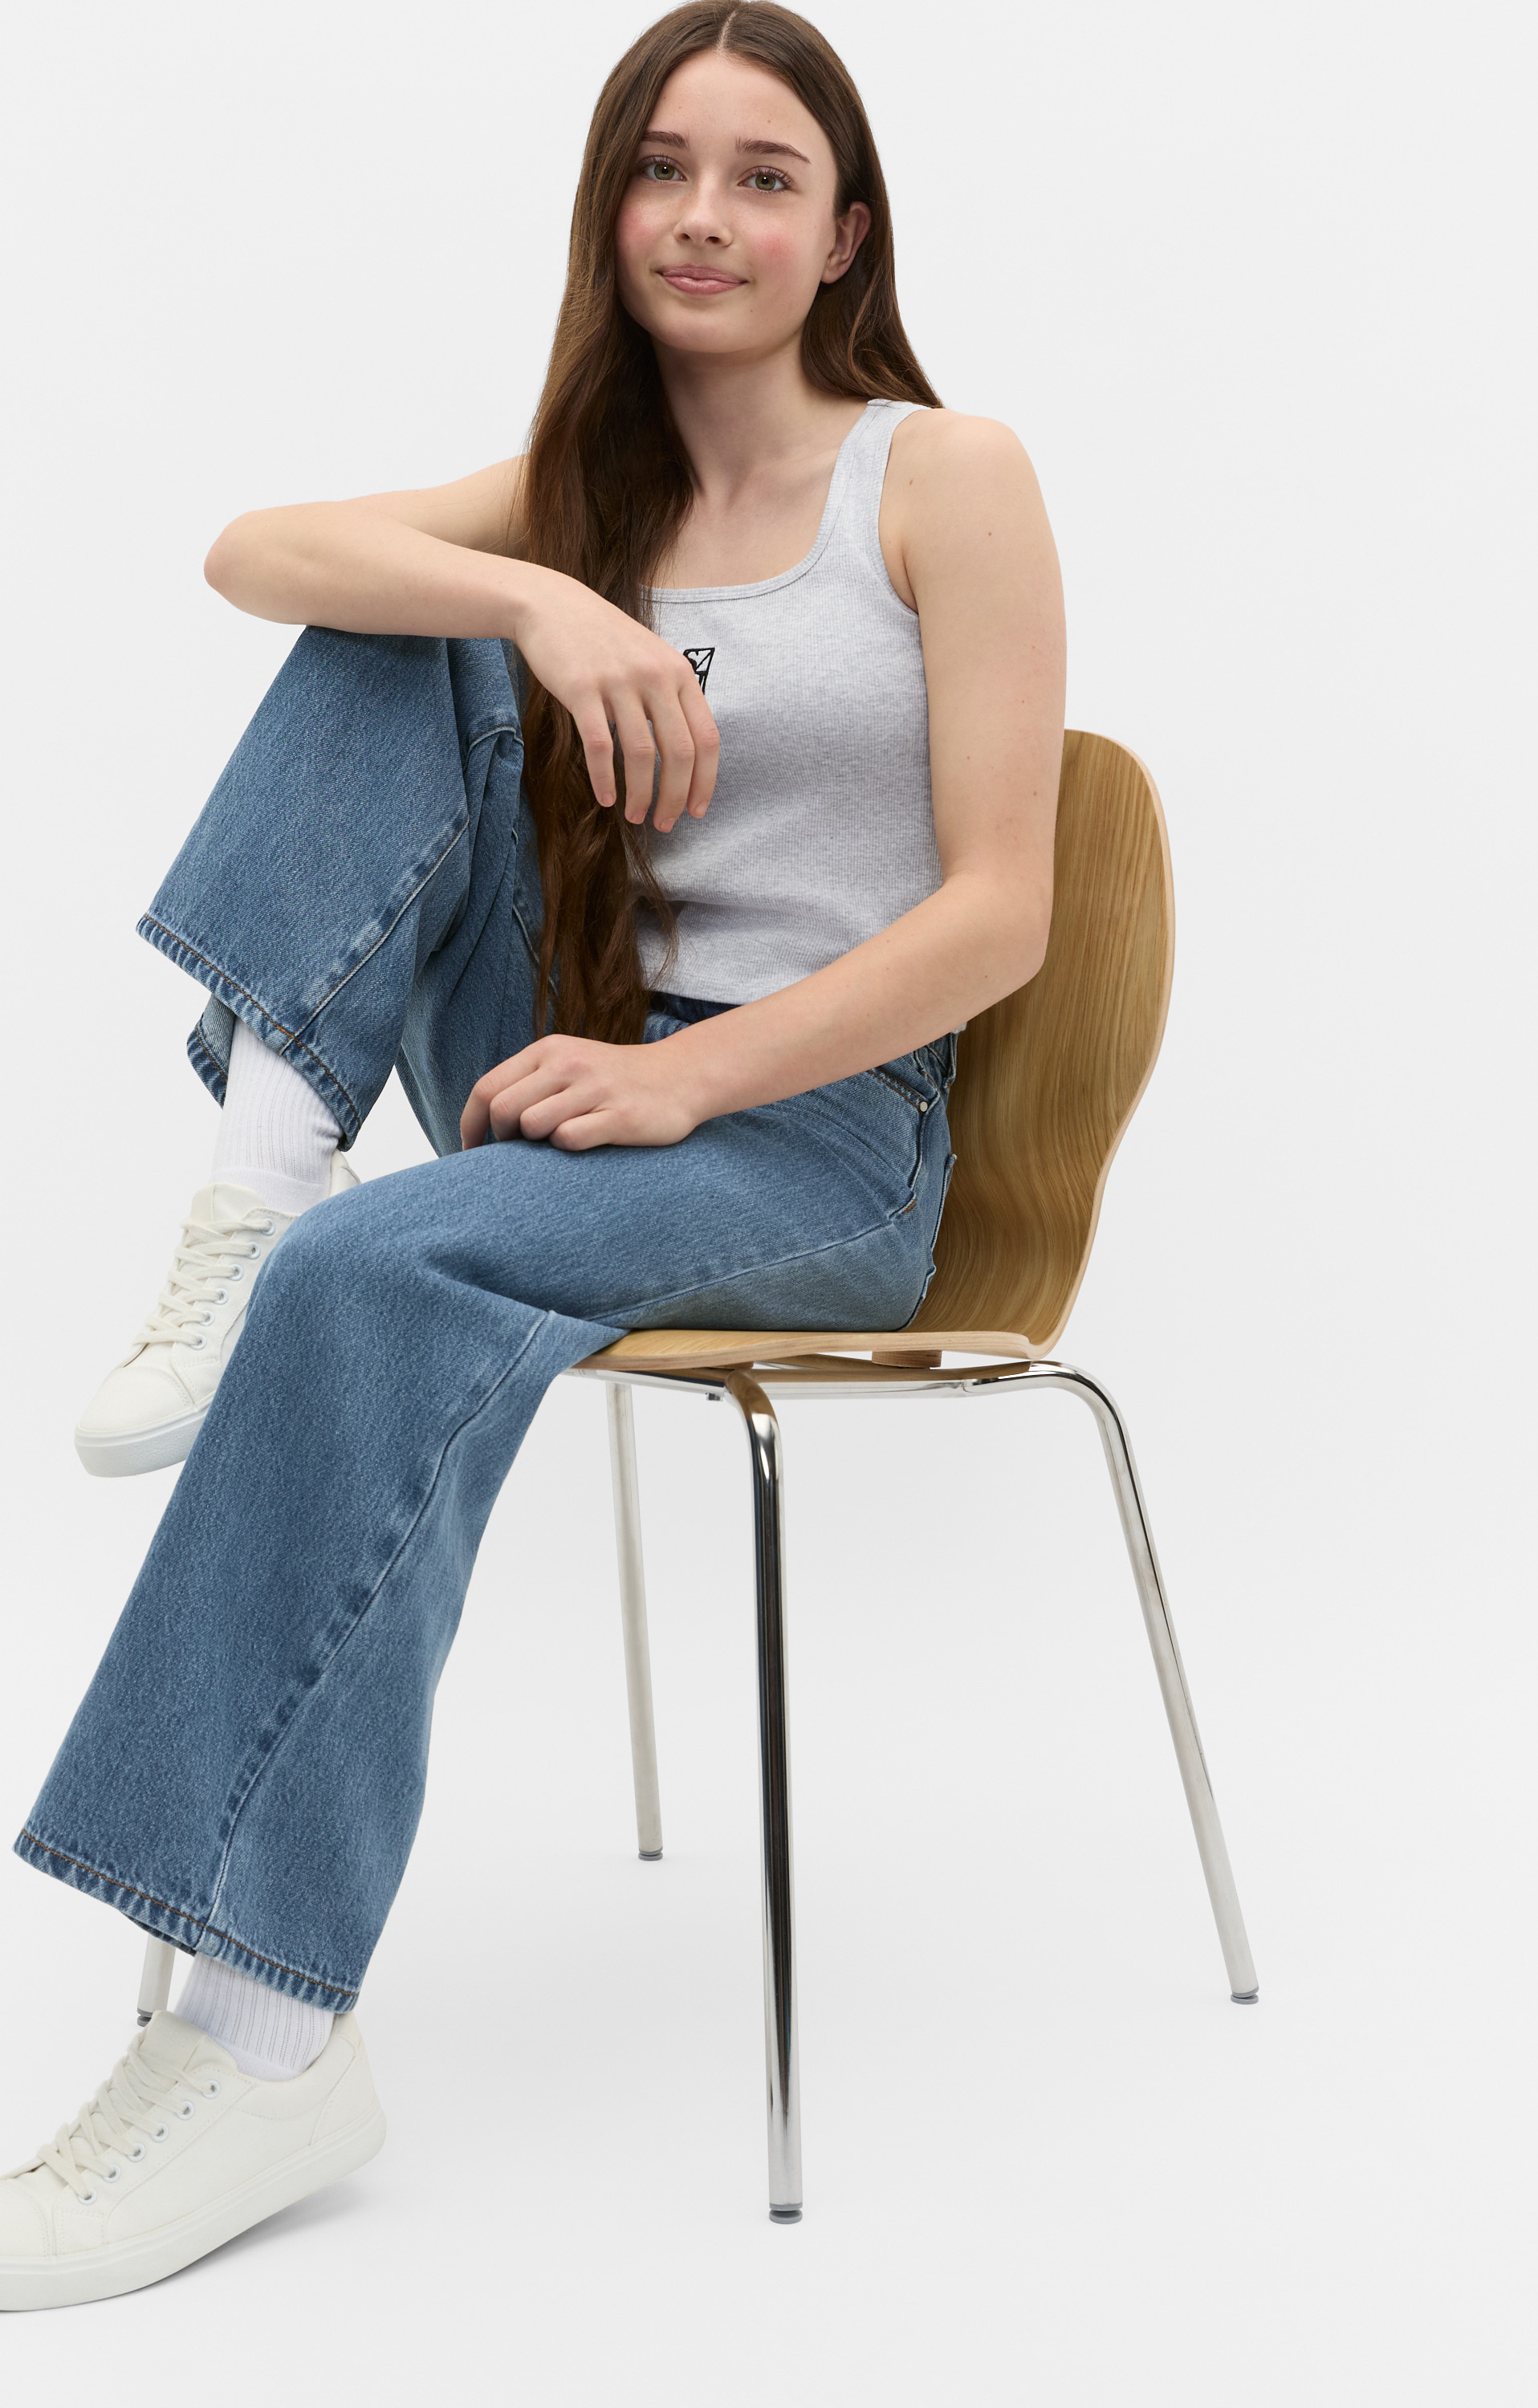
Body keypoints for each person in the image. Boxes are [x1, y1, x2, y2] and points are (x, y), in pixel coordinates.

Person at [0, 0, 1064, 2308]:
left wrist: (698, 1077)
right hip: (576, 1063)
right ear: (612, 206)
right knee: (387, 620)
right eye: (661, 167)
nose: (703, 215)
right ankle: (256, 1186)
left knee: (376, 1283)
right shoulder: (592, 488)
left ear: (844, 232)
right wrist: (537, 591)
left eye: (763, 176)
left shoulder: (944, 475)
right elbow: (248, 548)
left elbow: (1004, 911)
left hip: (816, 1139)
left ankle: (265, 2045)